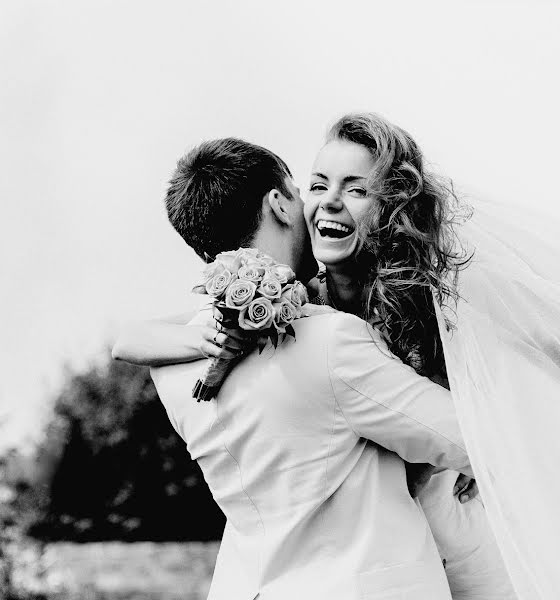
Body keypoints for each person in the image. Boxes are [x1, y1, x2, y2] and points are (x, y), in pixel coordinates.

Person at [117, 114, 560, 600]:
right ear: (283, 200)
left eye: (354, 186)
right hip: (388, 549)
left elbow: (534, 380)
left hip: (439, 522)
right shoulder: (309, 321)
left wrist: (499, 444)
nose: (326, 201)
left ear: (391, 202)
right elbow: (456, 433)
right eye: (316, 183)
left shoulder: (439, 293)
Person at [124, 138, 478, 600]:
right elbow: (468, 441)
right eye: (301, 190)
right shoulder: (331, 341)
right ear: (279, 203)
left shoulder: (171, 362)